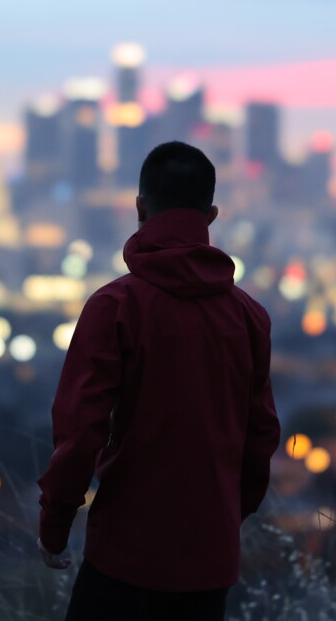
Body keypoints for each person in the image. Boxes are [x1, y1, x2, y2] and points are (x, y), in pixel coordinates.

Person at [36, 141, 281, 620]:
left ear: (140, 208)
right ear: (210, 215)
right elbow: (261, 438)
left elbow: (80, 431)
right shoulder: (249, 316)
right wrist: (225, 520)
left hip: (124, 558)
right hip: (209, 566)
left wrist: (55, 524)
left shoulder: (114, 308)